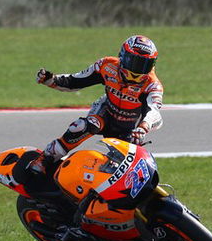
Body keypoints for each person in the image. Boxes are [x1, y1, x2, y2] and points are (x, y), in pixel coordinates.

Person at [29, 35, 164, 173]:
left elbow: (155, 112)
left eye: (144, 65)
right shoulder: (106, 65)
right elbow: (76, 80)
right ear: (123, 56)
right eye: (135, 62)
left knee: (126, 167)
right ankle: (46, 159)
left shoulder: (152, 85)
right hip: (105, 113)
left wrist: (143, 127)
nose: (138, 70)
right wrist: (52, 80)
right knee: (82, 126)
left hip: (130, 128)